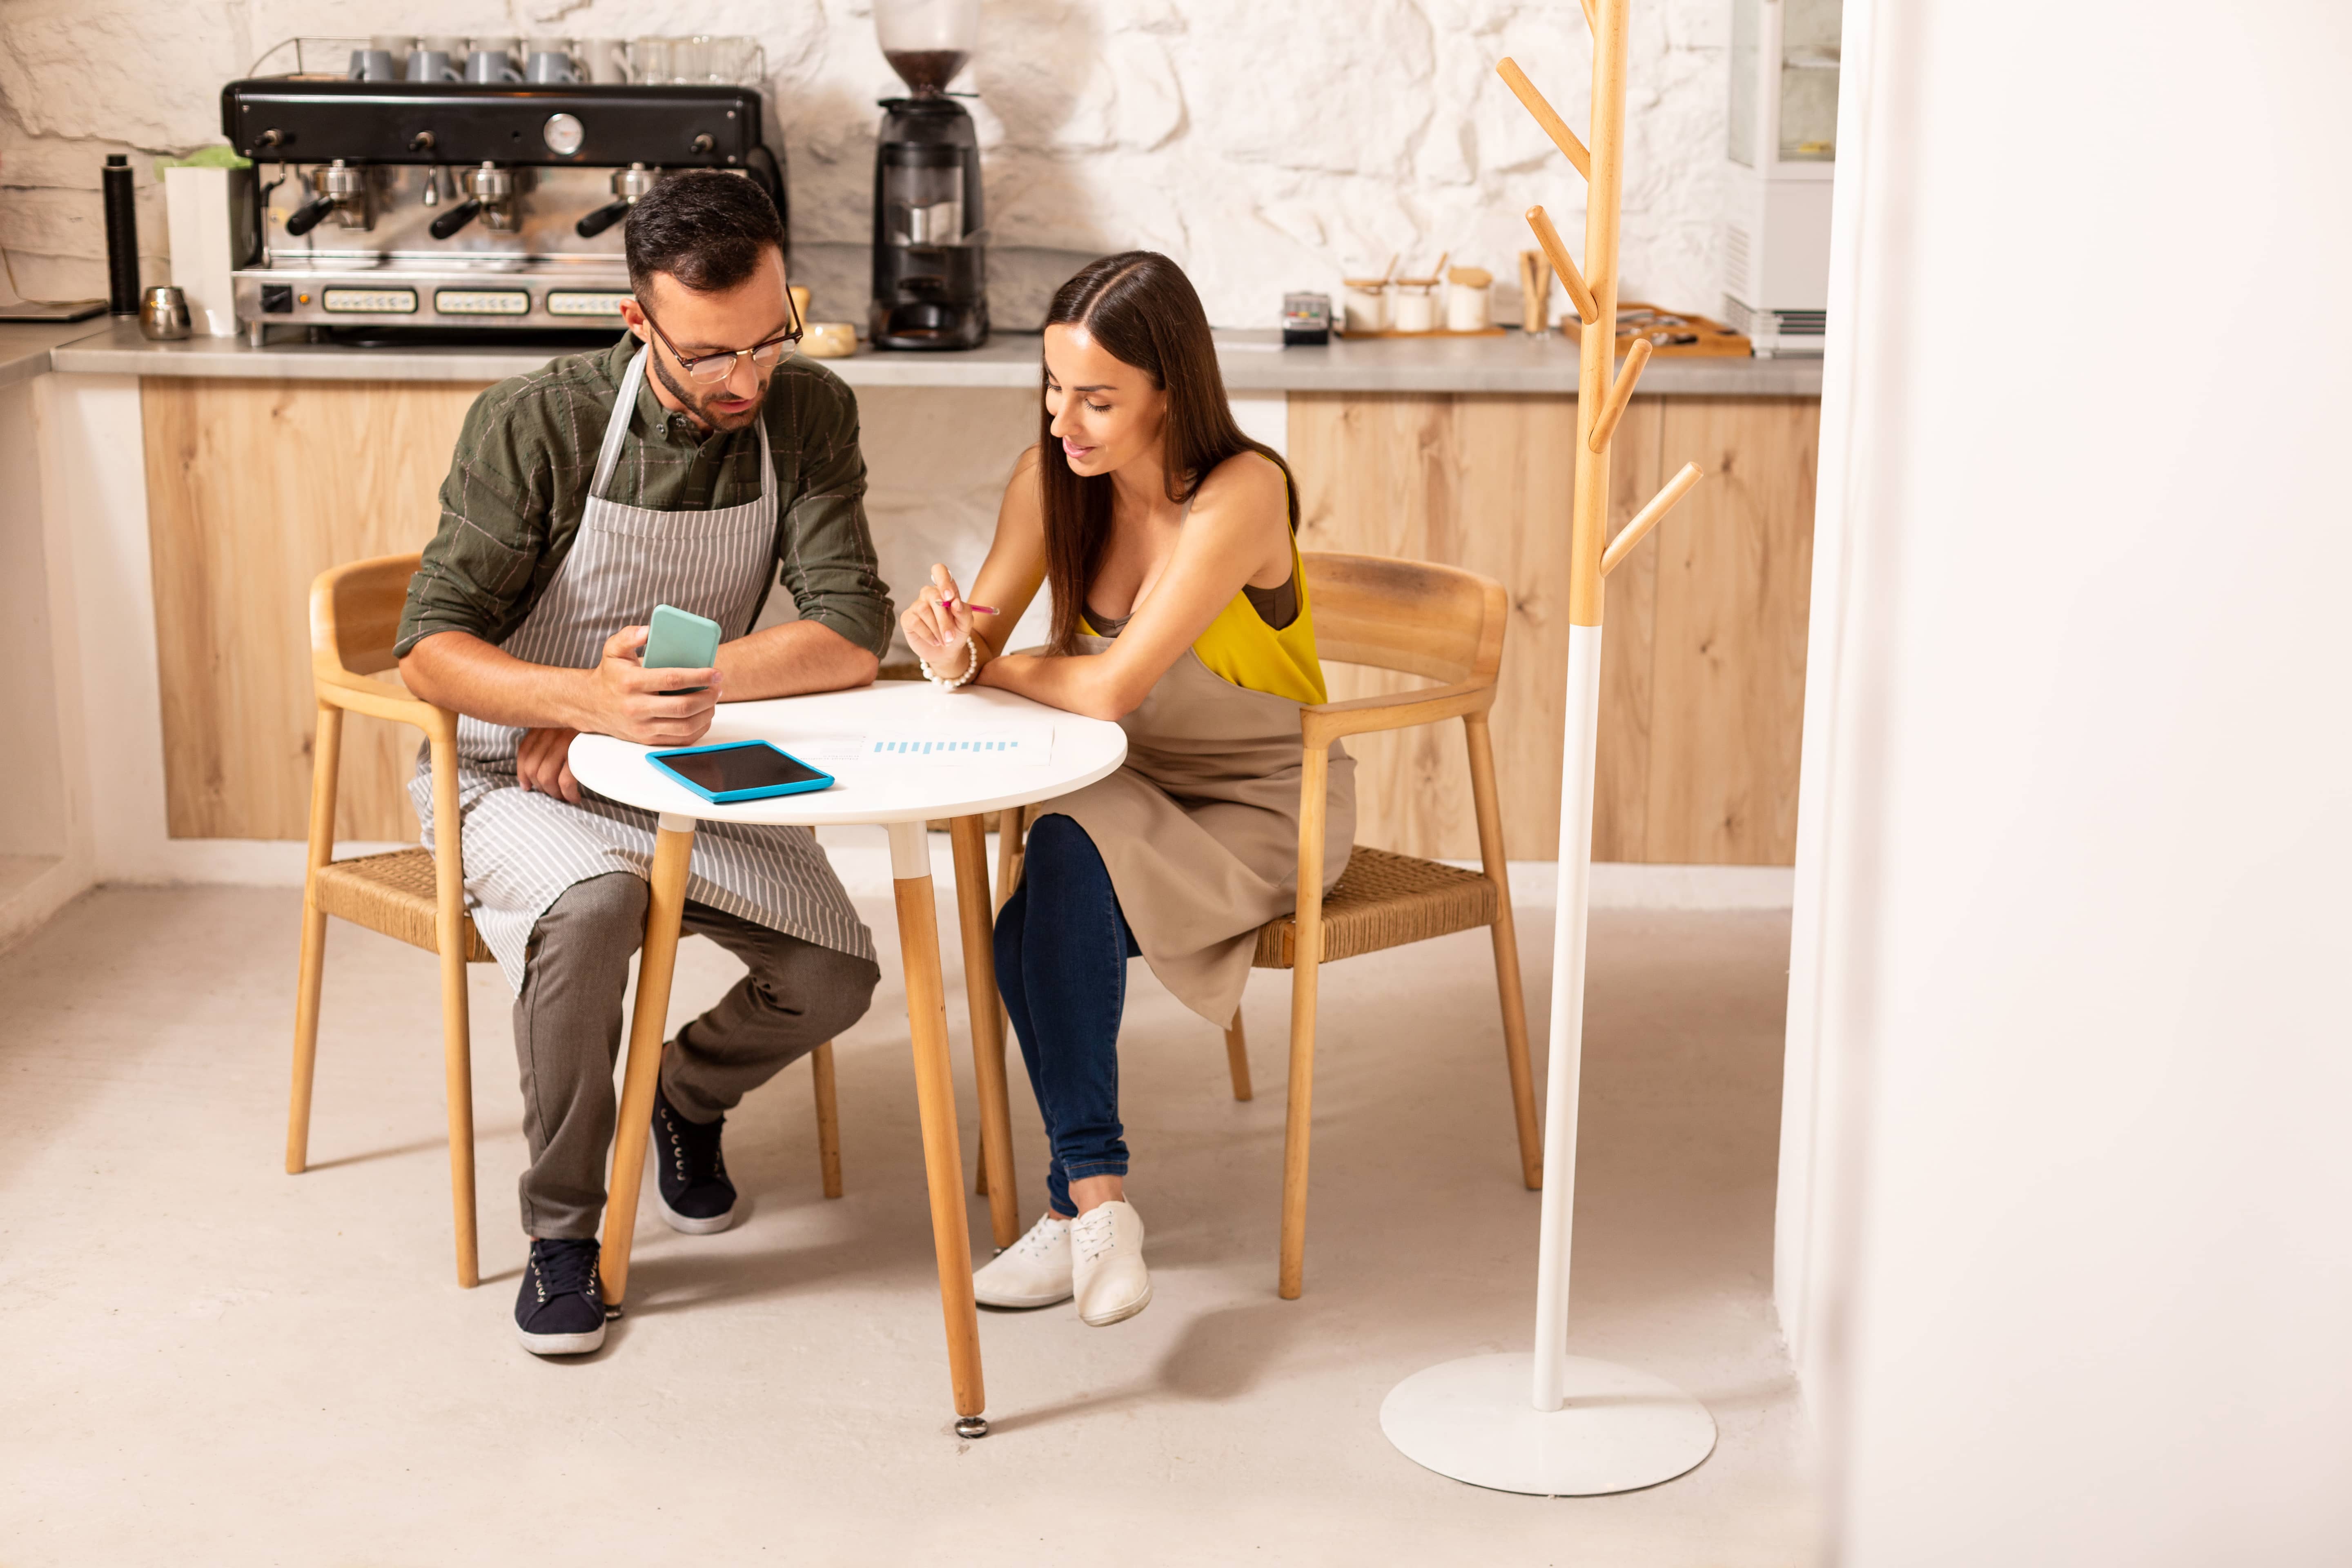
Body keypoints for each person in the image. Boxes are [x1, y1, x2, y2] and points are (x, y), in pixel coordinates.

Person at [396, 172, 893, 1357]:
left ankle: (687, 1091)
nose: (747, 379)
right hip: (504, 772)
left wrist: (638, 714)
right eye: (712, 356)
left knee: (836, 977)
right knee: (598, 903)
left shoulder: (808, 409)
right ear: (638, 323)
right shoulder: (539, 421)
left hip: (678, 760)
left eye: (769, 338)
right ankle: (569, 1230)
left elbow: (850, 630)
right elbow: (428, 651)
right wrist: (577, 701)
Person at [899, 252, 1354, 1327]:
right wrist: (942, 644)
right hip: (1119, 784)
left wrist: (984, 666)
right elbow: (981, 639)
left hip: (1263, 808)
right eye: (1055, 390)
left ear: (1169, 390)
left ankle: (1073, 1213)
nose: (1068, 421)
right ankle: (1099, 1204)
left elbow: (1104, 688)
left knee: (1031, 916)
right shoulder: (1049, 477)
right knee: (1056, 858)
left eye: (1097, 399)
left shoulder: (1244, 491)